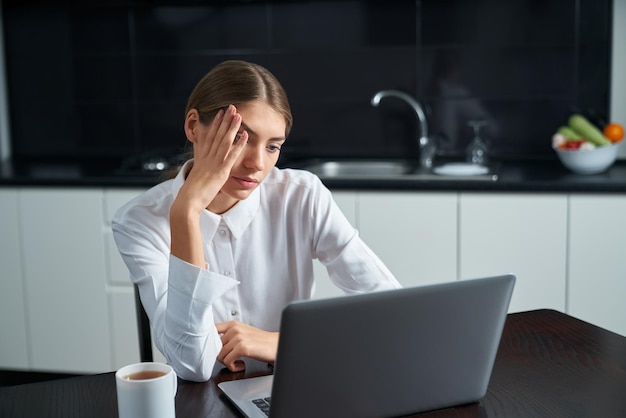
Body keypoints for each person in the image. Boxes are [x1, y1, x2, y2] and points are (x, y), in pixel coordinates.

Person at [112, 60, 401, 382]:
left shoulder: (302, 196)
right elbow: (192, 365)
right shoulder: (139, 221)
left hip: (292, 387)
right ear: (194, 126)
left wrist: (282, 344)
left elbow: (389, 312)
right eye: (240, 139)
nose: (257, 164)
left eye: (273, 146)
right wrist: (186, 212)